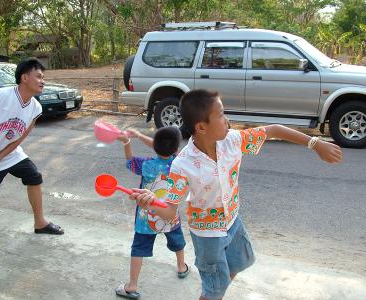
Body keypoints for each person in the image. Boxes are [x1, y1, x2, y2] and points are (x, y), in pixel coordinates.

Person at [130, 89, 343, 300]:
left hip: (233, 221)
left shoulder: (233, 140)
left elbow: (274, 130)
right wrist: (150, 203)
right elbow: (169, 212)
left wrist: (315, 144)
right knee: (213, 289)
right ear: (202, 127)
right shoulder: (182, 165)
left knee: (240, 262)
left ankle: (218, 291)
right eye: (221, 115)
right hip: (207, 235)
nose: (227, 120)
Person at [0, 57, 64, 256]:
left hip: (10, 154)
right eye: (38, 76)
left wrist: (0, 157)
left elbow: (18, 140)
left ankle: (40, 222)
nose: (42, 80)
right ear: (25, 77)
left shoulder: (36, 108)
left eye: (43, 77)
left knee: (33, 176)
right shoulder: (0, 96)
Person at [115, 127, 189, 299]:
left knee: (139, 249)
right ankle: (181, 266)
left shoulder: (146, 164)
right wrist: (141, 135)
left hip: (145, 217)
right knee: (177, 240)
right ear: (176, 150)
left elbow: (130, 161)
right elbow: (163, 148)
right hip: (169, 214)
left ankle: (132, 285)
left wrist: (128, 141)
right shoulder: (178, 164)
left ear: (154, 146)